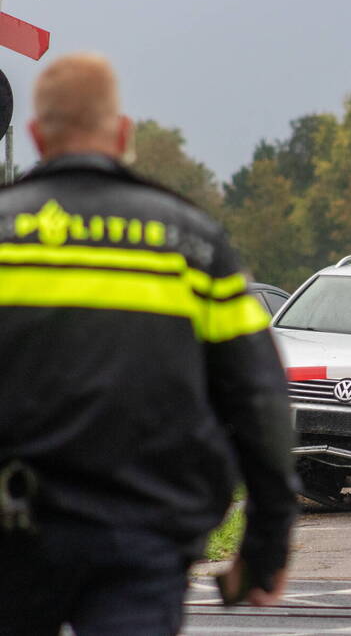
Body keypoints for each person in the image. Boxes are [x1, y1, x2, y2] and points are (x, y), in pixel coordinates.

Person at [0, 53, 298, 635]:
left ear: (36, 135)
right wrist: (266, 549)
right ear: (124, 133)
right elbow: (260, 402)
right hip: (142, 539)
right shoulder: (191, 244)